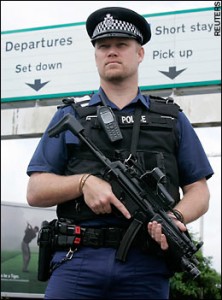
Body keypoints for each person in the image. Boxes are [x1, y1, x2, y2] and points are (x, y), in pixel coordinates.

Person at [26, 6, 214, 299]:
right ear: (96, 55)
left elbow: (199, 191)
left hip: (146, 265)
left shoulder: (171, 118)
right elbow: (35, 190)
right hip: (78, 260)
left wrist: (175, 216)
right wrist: (83, 182)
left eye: (121, 45)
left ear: (139, 53)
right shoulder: (71, 115)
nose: (111, 52)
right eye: (104, 46)